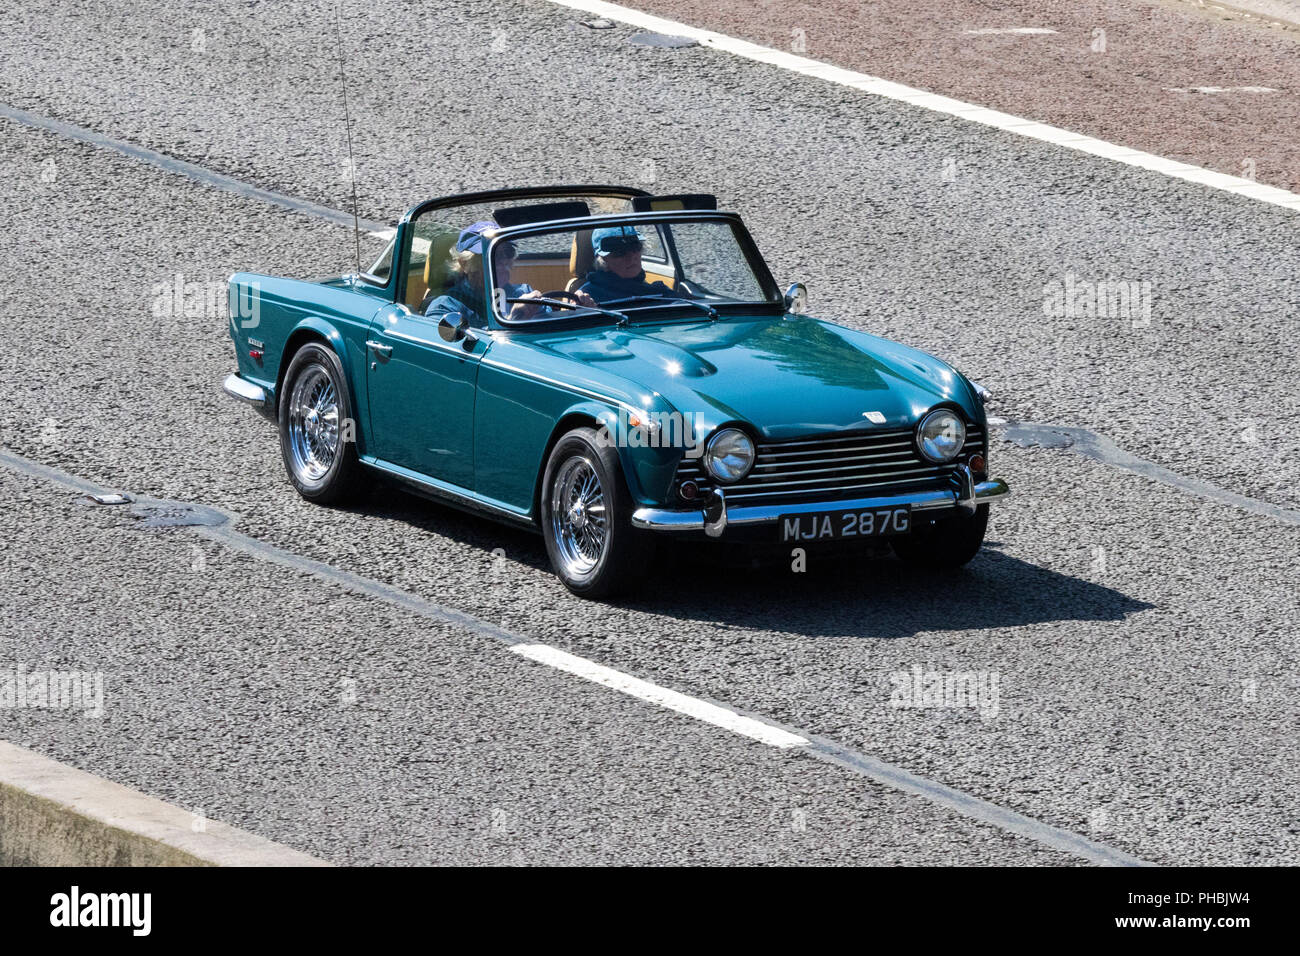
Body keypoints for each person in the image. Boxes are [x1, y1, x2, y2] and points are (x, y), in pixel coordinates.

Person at [424, 220, 594, 324]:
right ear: (465, 264)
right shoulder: (446, 305)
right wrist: (514, 319)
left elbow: (549, 335)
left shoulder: (524, 292)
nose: (502, 261)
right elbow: (445, 359)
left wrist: (576, 315)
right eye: (490, 255)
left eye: (507, 252)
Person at [578, 226, 676, 303]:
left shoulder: (658, 290)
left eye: (635, 247)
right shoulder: (587, 296)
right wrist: (583, 307)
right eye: (620, 252)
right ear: (603, 261)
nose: (631, 256)